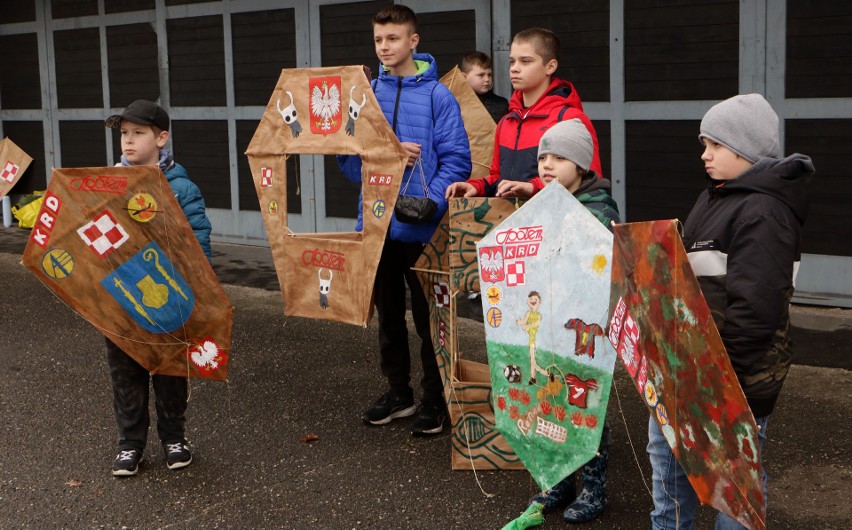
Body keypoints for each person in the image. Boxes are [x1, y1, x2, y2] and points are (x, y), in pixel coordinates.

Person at [648, 93, 813, 529]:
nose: (705, 155)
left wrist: (723, 382)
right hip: (687, 368)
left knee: (733, 487)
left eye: (714, 145)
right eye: (704, 144)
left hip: (730, 379)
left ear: (744, 148)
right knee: (668, 462)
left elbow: (756, 310)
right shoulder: (717, 196)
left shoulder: (765, 212)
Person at [337, 5, 471, 436]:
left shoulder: (438, 96)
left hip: (423, 225)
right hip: (377, 225)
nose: (384, 46)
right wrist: (386, 154)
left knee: (428, 318)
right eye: (379, 39)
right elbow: (346, 161)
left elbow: (457, 159)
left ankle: (436, 399)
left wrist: (432, 202)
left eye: (393, 38)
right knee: (389, 315)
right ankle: (399, 393)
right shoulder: (366, 94)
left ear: (414, 41)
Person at [515, 119, 619, 524]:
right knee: (550, 402)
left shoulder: (598, 207)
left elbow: (596, 261)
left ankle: (594, 488)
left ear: (580, 163)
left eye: (559, 157)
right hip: (551, 324)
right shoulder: (546, 202)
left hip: (585, 331)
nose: (547, 164)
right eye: (543, 157)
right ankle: (556, 480)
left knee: (586, 405)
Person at [103, 99, 212, 476]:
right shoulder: (106, 184)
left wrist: (199, 287)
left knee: (169, 370)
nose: (128, 142)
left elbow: (198, 239)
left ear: (161, 138)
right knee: (126, 373)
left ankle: (174, 438)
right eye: (124, 134)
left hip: (169, 298)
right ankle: (130, 445)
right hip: (121, 297)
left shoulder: (180, 187)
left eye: (138, 133)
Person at [445, 27, 602, 200]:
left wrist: (533, 187)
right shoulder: (506, 122)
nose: (514, 68)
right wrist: (476, 186)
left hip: (554, 223)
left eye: (525, 61)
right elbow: (499, 179)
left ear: (550, 66)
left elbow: (591, 183)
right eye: (512, 62)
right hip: (512, 224)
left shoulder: (570, 119)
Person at [460, 51, 509, 123]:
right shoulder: (456, 103)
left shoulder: (501, 104)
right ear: (464, 77)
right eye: (481, 75)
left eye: (489, 75)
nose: (487, 79)